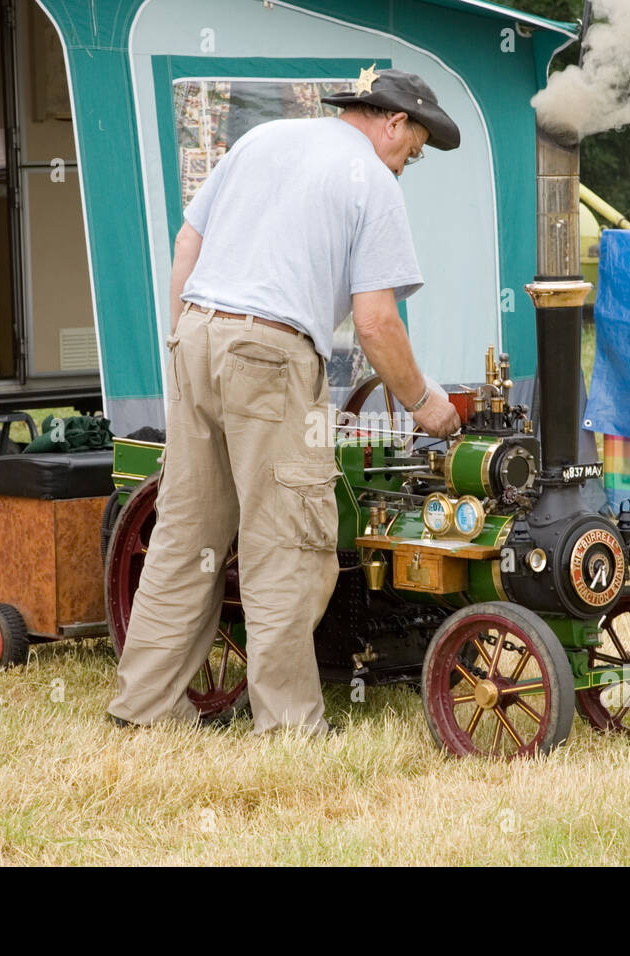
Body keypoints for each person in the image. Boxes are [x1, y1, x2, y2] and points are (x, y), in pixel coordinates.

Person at [108, 67, 462, 736]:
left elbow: (188, 242)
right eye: (412, 150)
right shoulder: (372, 182)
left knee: (187, 535)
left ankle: (143, 709)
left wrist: (184, 334)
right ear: (393, 123)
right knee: (289, 544)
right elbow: (377, 323)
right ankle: (290, 728)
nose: (407, 163)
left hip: (197, 339)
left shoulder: (261, 138)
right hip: (270, 355)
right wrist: (424, 403)